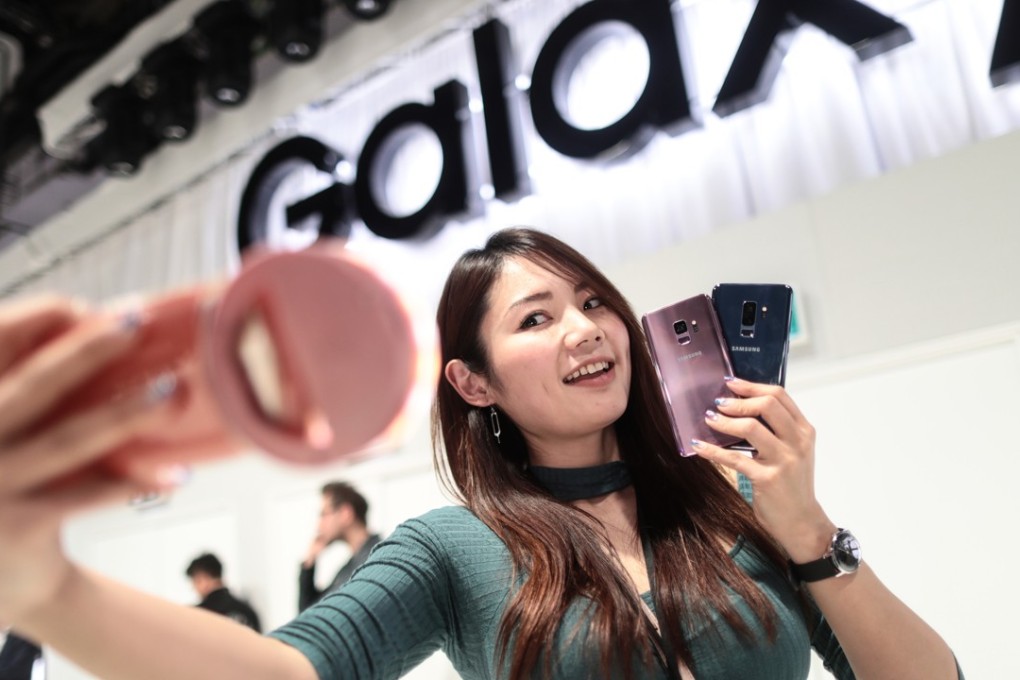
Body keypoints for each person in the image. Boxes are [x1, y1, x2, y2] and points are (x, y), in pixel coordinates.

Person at [0, 228, 963, 679]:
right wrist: (49, 591)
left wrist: (805, 528)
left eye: (591, 302)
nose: (586, 328)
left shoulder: (729, 508)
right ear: (476, 383)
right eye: (537, 318)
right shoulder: (449, 548)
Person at [299, 481, 382, 612]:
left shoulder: (371, 560)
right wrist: (310, 563)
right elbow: (309, 613)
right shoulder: (353, 563)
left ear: (345, 513)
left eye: (324, 514)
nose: (318, 526)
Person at [185, 552, 262, 632]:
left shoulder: (198, 614)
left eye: (196, 581)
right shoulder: (247, 610)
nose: (193, 588)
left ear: (204, 577)